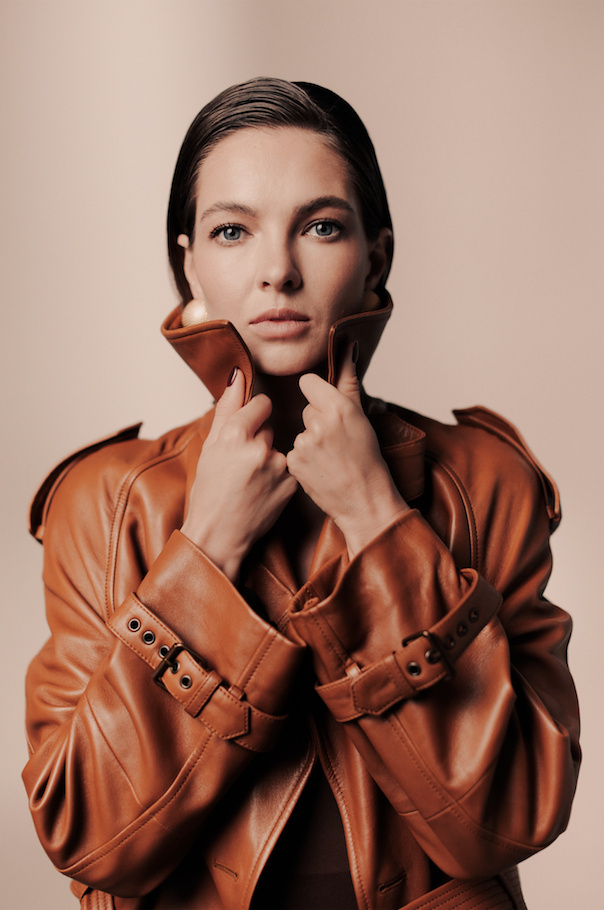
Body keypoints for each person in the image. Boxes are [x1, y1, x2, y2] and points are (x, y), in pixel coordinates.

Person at [23, 78, 580, 910]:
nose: (277, 272)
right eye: (233, 231)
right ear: (190, 263)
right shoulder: (103, 502)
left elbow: (503, 823)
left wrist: (378, 519)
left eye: (321, 227)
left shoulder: (484, 483)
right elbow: (93, 839)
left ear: (376, 256)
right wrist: (205, 551)